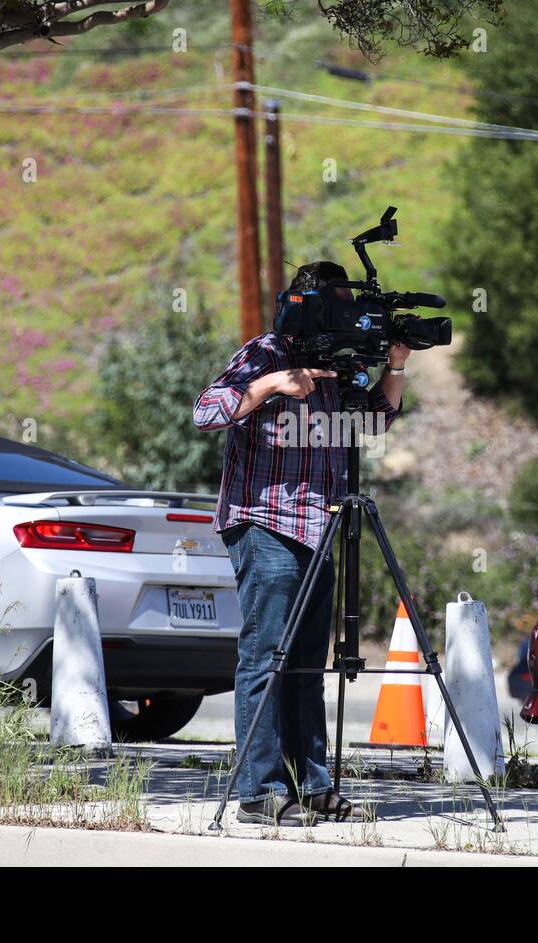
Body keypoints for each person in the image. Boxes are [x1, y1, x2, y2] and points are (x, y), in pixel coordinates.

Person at [192, 261, 410, 825]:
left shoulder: (339, 363)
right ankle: (260, 792)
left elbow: (371, 424)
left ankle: (311, 785)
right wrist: (272, 385)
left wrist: (395, 366)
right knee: (267, 657)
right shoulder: (265, 353)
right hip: (265, 524)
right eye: (337, 304)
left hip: (319, 527)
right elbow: (206, 410)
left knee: (308, 663)